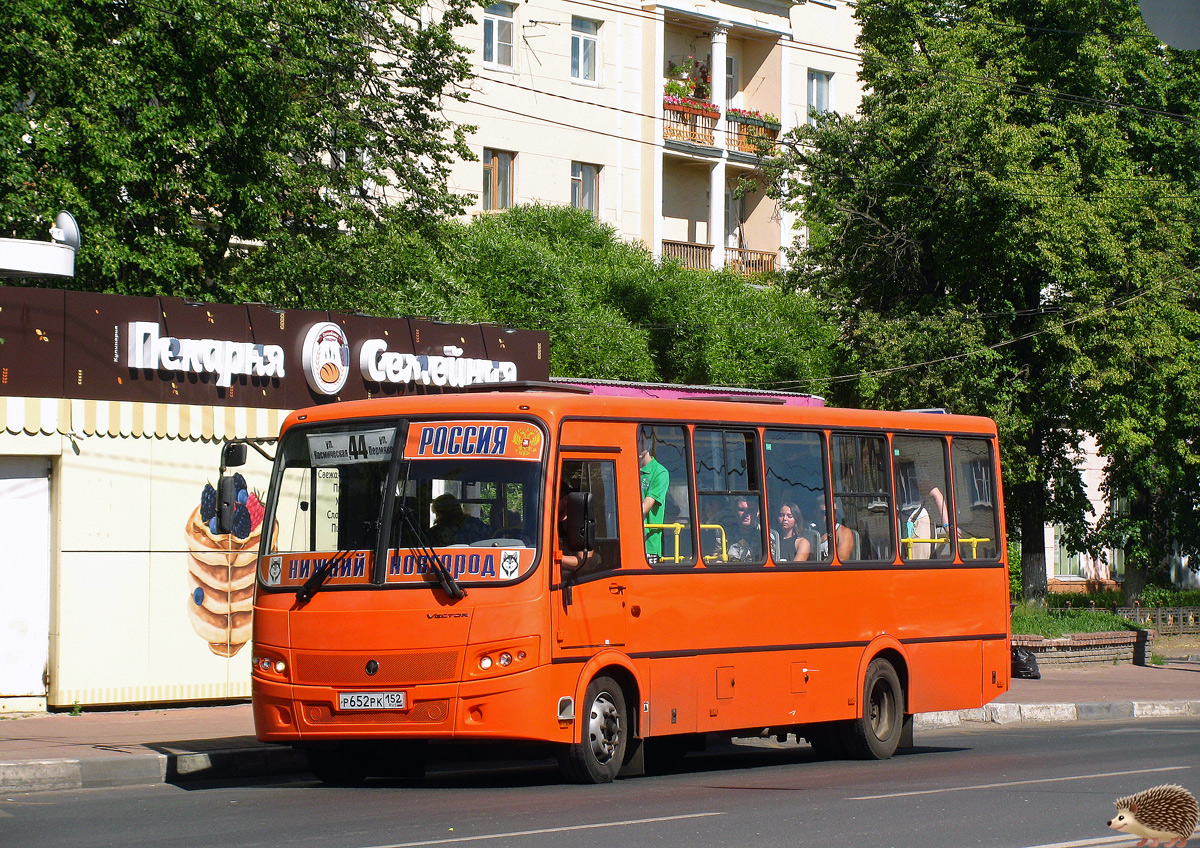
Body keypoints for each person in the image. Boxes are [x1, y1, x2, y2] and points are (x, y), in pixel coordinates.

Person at [638, 427, 669, 559]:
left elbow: (646, 506)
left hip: (648, 544)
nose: (638, 444)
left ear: (650, 443)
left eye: (642, 441)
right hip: (627, 540)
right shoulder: (628, 469)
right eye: (636, 440)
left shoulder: (660, 472)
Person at [726, 496, 762, 562]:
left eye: (750, 510)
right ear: (735, 511)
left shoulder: (765, 536)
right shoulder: (725, 534)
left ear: (758, 512)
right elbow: (718, 556)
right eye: (742, 510)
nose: (746, 514)